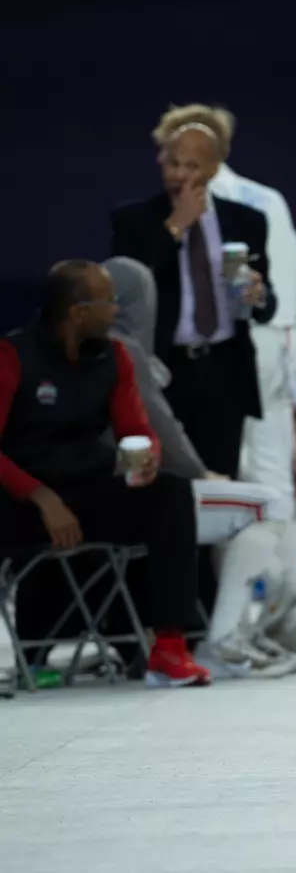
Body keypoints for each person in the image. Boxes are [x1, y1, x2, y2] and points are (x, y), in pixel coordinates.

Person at [0, 261, 211, 688]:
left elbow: (135, 429)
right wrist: (42, 497)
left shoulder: (114, 357)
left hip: (85, 487)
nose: (116, 309)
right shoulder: (13, 355)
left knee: (171, 494)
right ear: (78, 311)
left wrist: (147, 456)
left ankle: (170, 647)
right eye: (108, 301)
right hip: (20, 496)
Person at [103, 256, 296, 677]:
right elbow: (154, 425)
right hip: (138, 500)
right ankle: (227, 638)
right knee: (269, 505)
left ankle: (267, 625)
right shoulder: (122, 351)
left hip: (105, 492)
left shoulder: (78, 349)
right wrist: (200, 473)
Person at [159, 106, 296, 556]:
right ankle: (280, 614)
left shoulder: (190, 203)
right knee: (271, 480)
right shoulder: (270, 199)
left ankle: (224, 612)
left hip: (227, 352)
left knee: (210, 479)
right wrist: (295, 348)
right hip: (279, 342)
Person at [111, 115, 276, 476]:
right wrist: (176, 226)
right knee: (161, 483)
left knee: (220, 481)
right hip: (161, 369)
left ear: (214, 169)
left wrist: (258, 295)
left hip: (224, 372)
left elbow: (268, 308)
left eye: (190, 166)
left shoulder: (247, 221)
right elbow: (127, 288)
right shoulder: (133, 220)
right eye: (172, 163)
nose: (178, 175)